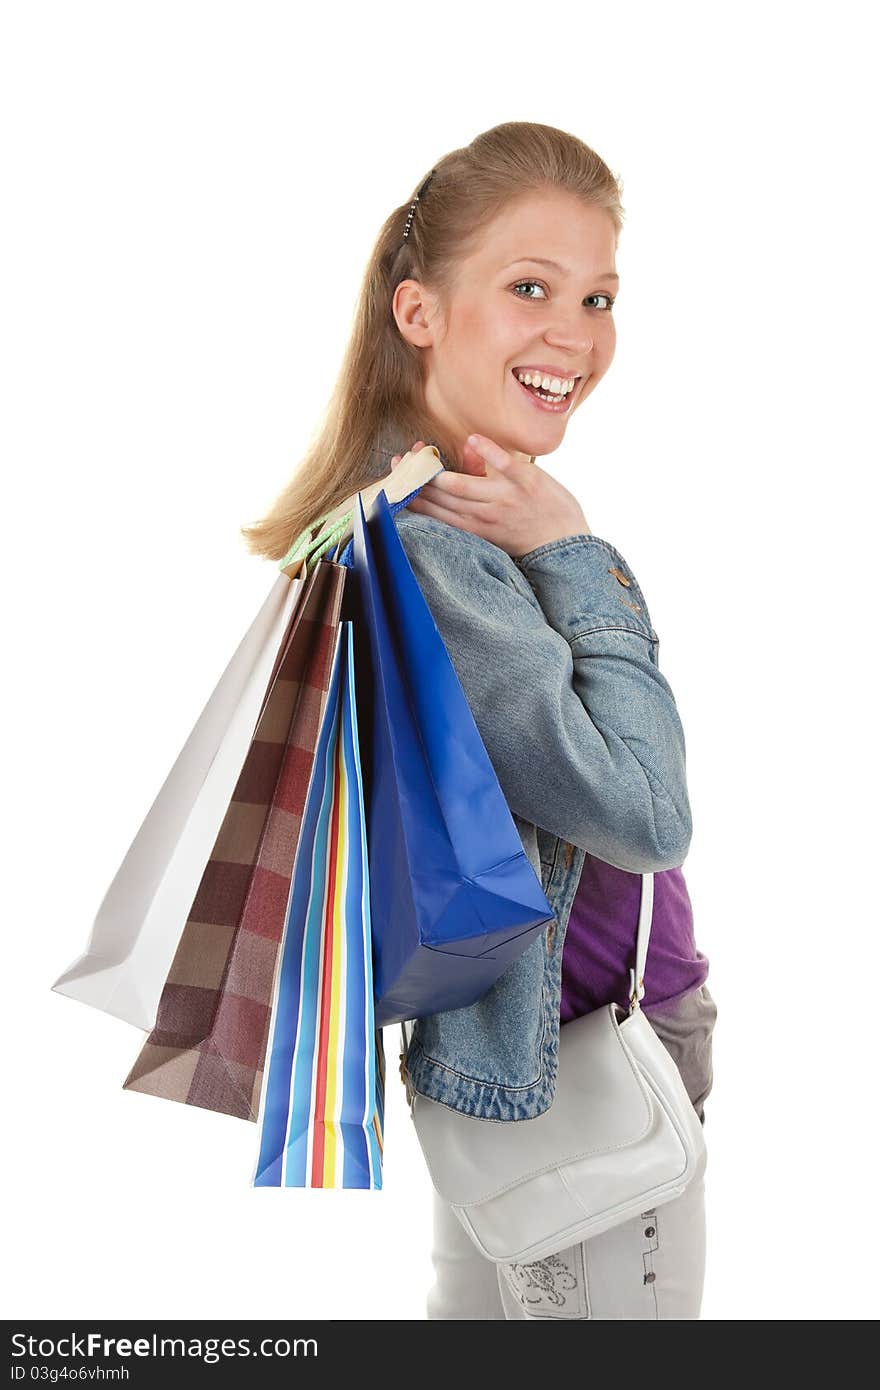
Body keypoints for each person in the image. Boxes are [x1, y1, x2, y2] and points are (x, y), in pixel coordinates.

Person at [240, 120, 718, 1320]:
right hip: (577, 1062)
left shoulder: (377, 518)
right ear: (418, 311)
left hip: (509, 1062)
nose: (577, 334)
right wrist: (573, 548)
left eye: (599, 295)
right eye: (529, 288)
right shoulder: (451, 555)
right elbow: (646, 814)